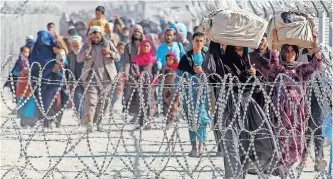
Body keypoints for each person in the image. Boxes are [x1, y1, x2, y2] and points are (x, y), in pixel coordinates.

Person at [203, 43, 276, 178]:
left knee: (245, 149)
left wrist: (253, 76)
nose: (239, 53)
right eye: (235, 49)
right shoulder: (222, 63)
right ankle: (232, 176)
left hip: (246, 111)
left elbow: (258, 90)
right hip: (227, 109)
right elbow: (209, 69)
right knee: (231, 147)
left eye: (241, 50)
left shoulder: (248, 65)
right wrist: (214, 41)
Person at [268, 38, 323, 177]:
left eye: (293, 51)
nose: (290, 53)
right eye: (287, 51)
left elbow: (317, 64)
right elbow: (273, 62)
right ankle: (283, 169)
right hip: (282, 111)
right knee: (282, 140)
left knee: (297, 142)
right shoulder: (280, 69)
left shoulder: (301, 69)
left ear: (297, 53)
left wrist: (314, 44)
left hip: (298, 112)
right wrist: (274, 41)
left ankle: (289, 167)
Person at [77, 26, 120, 132]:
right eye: (93, 36)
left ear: (101, 35)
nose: (95, 39)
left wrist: (110, 53)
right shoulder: (86, 45)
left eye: (97, 36)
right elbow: (79, 59)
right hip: (91, 78)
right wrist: (89, 49)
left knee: (103, 101)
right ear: (90, 36)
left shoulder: (108, 44)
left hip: (106, 78)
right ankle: (90, 123)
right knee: (91, 101)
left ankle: (99, 123)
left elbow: (118, 57)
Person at [176, 32, 211, 156]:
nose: (199, 43)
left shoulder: (207, 57)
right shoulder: (186, 58)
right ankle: (193, 146)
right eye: (197, 41)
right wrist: (179, 93)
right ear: (192, 41)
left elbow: (213, 75)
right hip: (189, 93)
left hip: (203, 93)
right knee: (191, 120)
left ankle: (202, 144)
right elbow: (179, 76)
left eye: (202, 41)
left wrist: (203, 72)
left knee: (202, 119)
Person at [128, 40, 158, 129]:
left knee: (150, 102)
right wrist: (138, 75)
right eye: (144, 46)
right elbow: (134, 69)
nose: (145, 48)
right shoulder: (137, 59)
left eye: (147, 46)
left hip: (150, 84)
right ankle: (141, 123)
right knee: (141, 102)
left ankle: (148, 121)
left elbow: (155, 71)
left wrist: (154, 80)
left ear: (150, 48)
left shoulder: (153, 60)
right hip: (140, 84)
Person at [123, 24, 144, 112]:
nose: (136, 33)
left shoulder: (145, 45)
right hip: (132, 71)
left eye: (138, 31)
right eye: (135, 31)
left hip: (143, 70)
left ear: (141, 33)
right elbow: (127, 61)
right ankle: (130, 111)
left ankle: (141, 113)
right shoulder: (128, 46)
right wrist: (126, 73)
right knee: (129, 93)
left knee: (141, 93)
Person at [14, 46, 36, 127]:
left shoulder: (28, 61)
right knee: (22, 101)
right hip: (22, 84)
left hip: (29, 84)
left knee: (30, 101)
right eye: (25, 52)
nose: (26, 54)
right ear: (21, 53)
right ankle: (24, 121)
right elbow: (15, 72)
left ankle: (30, 121)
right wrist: (21, 71)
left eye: (28, 52)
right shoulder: (19, 62)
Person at [67, 35, 85, 125]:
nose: (75, 47)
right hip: (75, 80)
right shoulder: (70, 54)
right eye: (73, 45)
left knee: (87, 99)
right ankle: (82, 117)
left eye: (76, 45)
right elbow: (67, 67)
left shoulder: (85, 52)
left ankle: (88, 117)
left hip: (86, 79)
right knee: (77, 98)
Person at [160, 52, 179, 128]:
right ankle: (167, 120)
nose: (169, 61)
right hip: (166, 88)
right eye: (167, 59)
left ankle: (173, 117)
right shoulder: (164, 68)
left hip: (175, 88)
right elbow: (160, 77)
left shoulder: (177, 68)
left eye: (170, 59)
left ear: (174, 59)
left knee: (175, 104)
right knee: (166, 104)